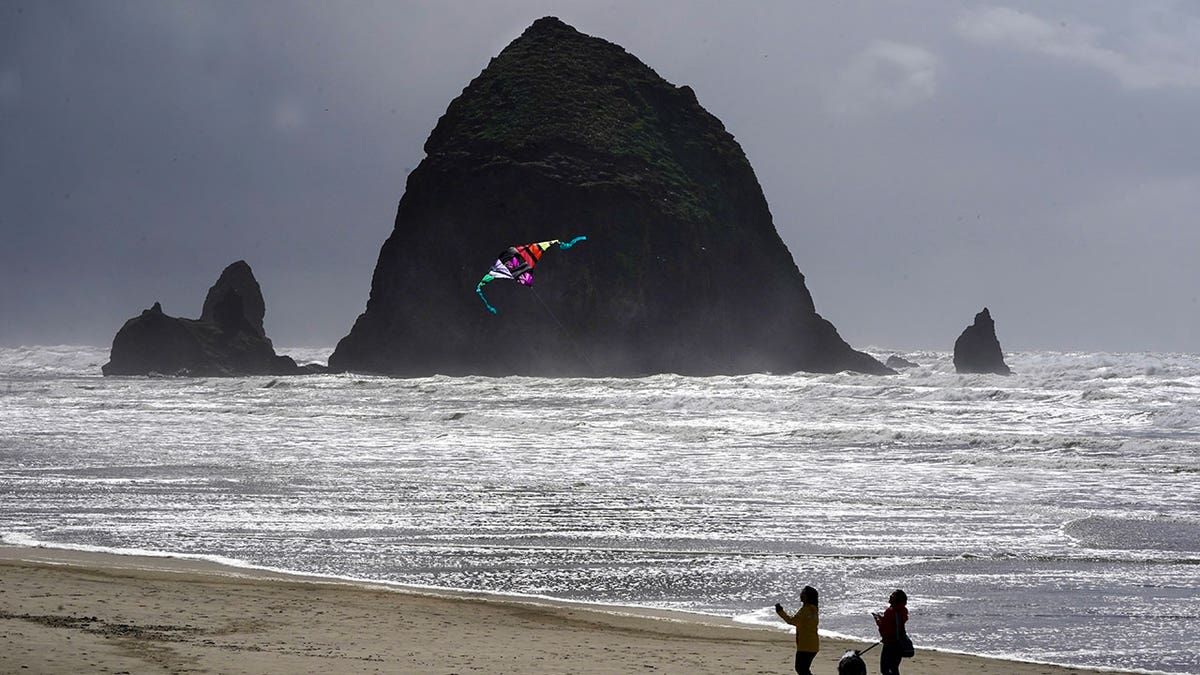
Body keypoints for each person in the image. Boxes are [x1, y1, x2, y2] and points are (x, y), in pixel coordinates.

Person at [775, 585, 819, 675]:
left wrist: (780, 612)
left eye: (803, 593)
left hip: (805, 645)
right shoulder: (814, 609)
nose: (801, 595)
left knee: (801, 669)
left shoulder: (806, 610)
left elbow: (792, 621)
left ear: (807, 596)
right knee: (804, 669)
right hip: (813, 645)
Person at [872, 589, 909, 675]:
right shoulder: (903, 610)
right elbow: (895, 624)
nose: (890, 597)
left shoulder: (890, 611)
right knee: (894, 668)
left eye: (892, 596)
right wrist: (882, 619)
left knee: (885, 669)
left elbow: (884, 627)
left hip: (890, 643)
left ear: (895, 599)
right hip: (899, 642)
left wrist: (877, 619)